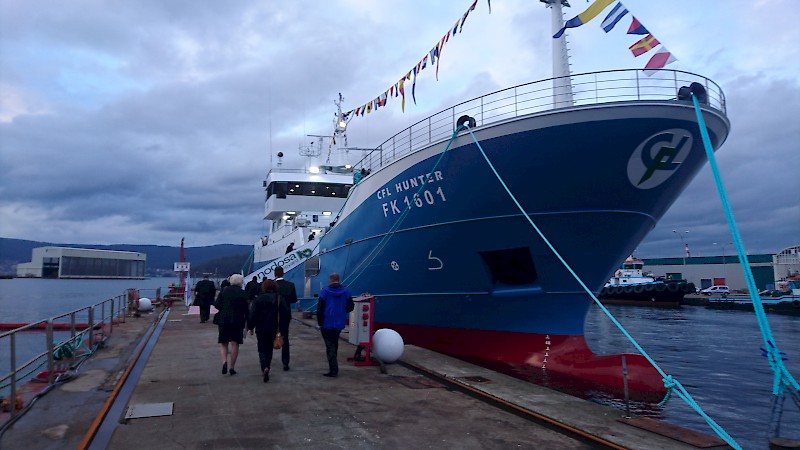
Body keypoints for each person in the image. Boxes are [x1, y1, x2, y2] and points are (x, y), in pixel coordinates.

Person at [316, 273, 354, 377]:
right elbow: (351, 307)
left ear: (330, 280)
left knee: (330, 346)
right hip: (339, 323)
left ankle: (333, 369)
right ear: (339, 280)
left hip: (326, 323)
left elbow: (319, 309)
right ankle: (333, 367)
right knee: (334, 343)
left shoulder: (324, 291)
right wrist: (342, 311)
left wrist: (320, 322)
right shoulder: (346, 291)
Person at [214, 274, 249, 376]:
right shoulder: (243, 293)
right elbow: (246, 309)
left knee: (223, 343)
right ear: (240, 282)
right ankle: (232, 367)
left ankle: (224, 361)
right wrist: (249, 322)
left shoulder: (223, 291)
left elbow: (216, 305)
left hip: (223, 319)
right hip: (237, 321)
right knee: (235, 343)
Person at [248, 279, 280, 383]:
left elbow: (252, 314)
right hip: (273, 327)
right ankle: (268, 366)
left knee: (261, 347)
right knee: (270, 348)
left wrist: (250, 327)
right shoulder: (278, 298)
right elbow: (283, 313)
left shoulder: (258, 299)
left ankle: (264, 367)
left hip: (261, 327)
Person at [274, 266, 298, 371]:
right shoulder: (290, 285)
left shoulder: (271, 285)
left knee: (268, 337)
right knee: (285, 338)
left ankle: (266, 363)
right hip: (285, 314)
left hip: (272, 315)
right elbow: (294, 299)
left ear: (275, 274)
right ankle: (285, 362)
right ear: (283, 274)